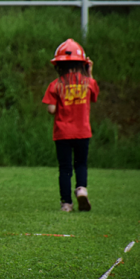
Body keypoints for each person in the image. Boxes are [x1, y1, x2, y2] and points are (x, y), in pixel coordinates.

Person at [42, 38, 99, 212]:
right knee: (81, 164)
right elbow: (94, 96)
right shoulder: (88, 83)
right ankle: (81, 189)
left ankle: (66, 203)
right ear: (83, 64)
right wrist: (89, 73)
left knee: (65, 168)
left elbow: (51, 109)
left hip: (62, 133)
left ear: (58, 65)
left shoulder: (56, 85)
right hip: (82, 132)